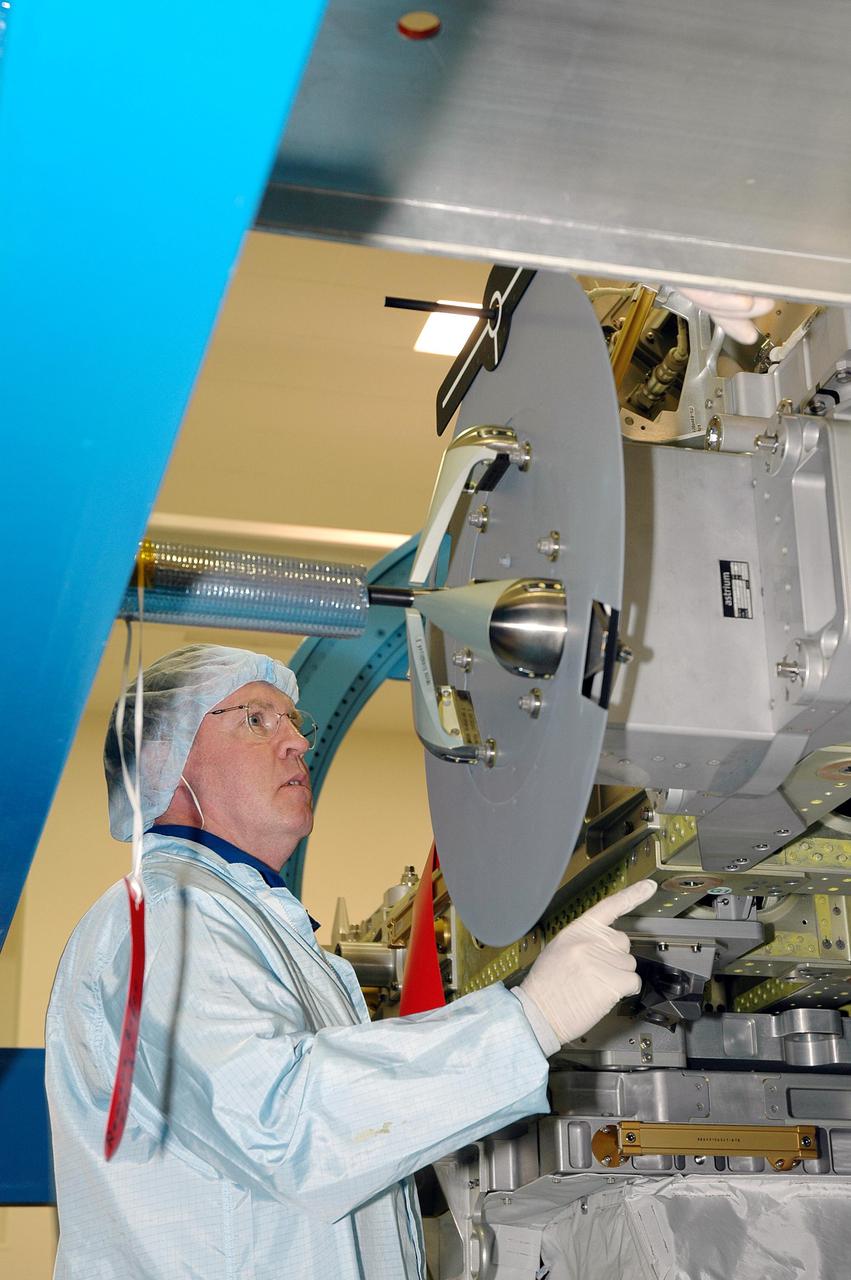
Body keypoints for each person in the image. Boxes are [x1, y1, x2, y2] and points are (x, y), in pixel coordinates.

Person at [45, 643, 656, 1279]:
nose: (296, 743)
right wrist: (529, 1021)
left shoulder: (244, 920)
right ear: (162, 760)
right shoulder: (166, 915)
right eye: (255, 719)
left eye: (292, 721)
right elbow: (284, 1125)